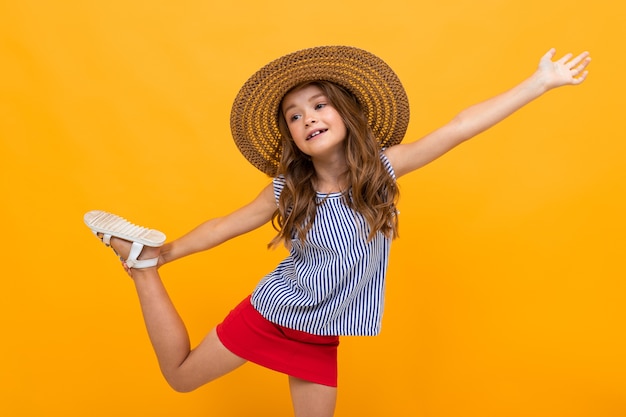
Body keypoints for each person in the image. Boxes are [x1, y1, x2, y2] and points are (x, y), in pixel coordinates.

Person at [84, 45, 590, 417]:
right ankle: (144, 266)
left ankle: (143, 260)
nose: (308, 119)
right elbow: (224, 226)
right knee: (179, 379)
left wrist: (538, 82)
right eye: (295, 116)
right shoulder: (286, 189)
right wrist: (166, 250)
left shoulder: (384, 170)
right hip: (275, 313)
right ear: (293, 138)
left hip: (322, 334)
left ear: (346, 114)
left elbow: (458, 127)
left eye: (319, 105)